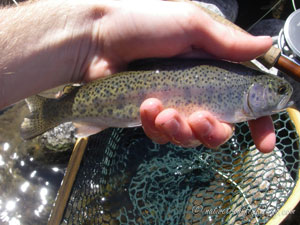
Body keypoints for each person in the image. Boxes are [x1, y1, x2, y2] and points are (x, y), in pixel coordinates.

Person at [0, 0, 275, 152]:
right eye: (279, 92)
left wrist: (94, 32)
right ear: (256, 91)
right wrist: (95, 30)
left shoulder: (239, 80)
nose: (283, 97)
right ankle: (51, 110)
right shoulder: (241, 85)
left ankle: (57, 110)